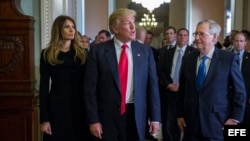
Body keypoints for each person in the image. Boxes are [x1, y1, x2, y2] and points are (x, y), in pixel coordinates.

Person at [83, 8, 161, 141]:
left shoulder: (145, 51)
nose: (133, 27)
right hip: (106, 117)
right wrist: (93, 120)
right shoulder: (98, 52)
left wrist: (155, 118)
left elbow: (152, 87)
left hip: (135, 115)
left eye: (133, 22)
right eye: (127, 23)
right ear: (115, 29)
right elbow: (90, 90)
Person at [176, 19, 246, 141]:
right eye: (195, 34)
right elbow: (182, 90)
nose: (196, 38)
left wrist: (235, 119)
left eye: (201, 34)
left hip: (217, 124)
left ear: (214, 37)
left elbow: (239, 92)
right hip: (191, 124)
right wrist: (180, 114)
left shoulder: (228, 59)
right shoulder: (188, 59)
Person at [39, 15, 90, 141]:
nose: (72, 30)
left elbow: (90, 83)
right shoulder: (47, 53)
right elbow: (43, 87)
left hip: (80, 106)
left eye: (73, 27)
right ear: (58, 29)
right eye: (67, 27)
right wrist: (44, 119)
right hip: (57, 107)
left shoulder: (83, 54)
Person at [158, 28, 196, 141]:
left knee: (185, 124)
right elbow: (161, 71)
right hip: (169, 92)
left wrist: (182, 85)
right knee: (169, 124)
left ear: (188, 37)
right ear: (176, 36)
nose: (182, 37)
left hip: (185, 94)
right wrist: (168, 84)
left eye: (185, 35)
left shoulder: (193, 53)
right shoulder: (167, 52)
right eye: (180, 35)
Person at [232, 32, 250, 127]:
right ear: (233, 42)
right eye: (237, 41)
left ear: (245, 43)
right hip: (229, 99)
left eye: (241, 41)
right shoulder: (226, 56)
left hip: (246, 100)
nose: (239, 43)